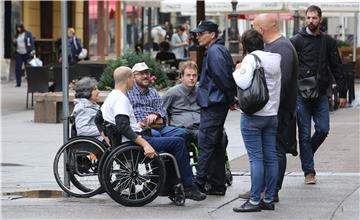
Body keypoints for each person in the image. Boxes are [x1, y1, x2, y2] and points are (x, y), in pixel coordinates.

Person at [100, 66, 206, 201]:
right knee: (177, 143)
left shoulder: (112, 96)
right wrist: (145, 144)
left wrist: (107, 136)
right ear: (128, 79)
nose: (134, 80)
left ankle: (170, 185)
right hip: (135, 141)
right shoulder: (121, 99)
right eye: (133, 77)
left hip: (133, 136)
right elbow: (123, 126)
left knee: (175, 137)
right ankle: (188, 187)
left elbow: (99, 118)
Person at [237, 13, 299, 202]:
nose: (252, 30)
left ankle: (267, 192)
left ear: (261, 30)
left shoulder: (282, 48)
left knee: (271, 153)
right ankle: (265, 191)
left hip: (274, 110)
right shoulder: (272, 50)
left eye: (253, 26)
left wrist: (267, 106)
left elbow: (283, 82)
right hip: (273, 110)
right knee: (269, 154)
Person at [290, 5, 347, 184]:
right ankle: (309, 172)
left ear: (320, 19)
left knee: (323, 129)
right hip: (301, 95)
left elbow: (337, 66)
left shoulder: (328, 41)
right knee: (304, 134)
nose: (311, 21)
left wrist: (343, 92)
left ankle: (306, 155)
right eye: (308, 18)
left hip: (321, 93)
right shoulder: (296, 41)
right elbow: (290, 67)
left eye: (314, 18)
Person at [232, 29, 281, 212]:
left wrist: (237, 71)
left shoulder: (251, 59)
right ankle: (268, 199)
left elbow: (243, 83)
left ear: (245, 46)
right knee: (271, 158)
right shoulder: (275, 58)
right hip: (271, 115)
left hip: (253, 116)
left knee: (256, 159)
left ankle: (254, 200)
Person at [190, 20, 237, 196]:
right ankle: (217, 184)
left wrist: (230, 97)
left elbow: (222, 77)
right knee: (215, 144)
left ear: (212, 34)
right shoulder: (216, 50)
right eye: (197, 34)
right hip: (216, 102)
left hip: (213, 104)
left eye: (201, 33)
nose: (198, 37)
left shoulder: (215, 51)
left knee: (206, 143)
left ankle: (200, 183)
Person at [127, 62, 187, 140]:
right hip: (141, 129)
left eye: (147, 73)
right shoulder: (128, 93)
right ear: (133, 77)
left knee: (183, 132)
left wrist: (156, 114)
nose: (145, 76)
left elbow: (162, 110)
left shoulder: (153, 92)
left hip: (158, 126)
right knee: (156, 135)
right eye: (141, 73)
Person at [72, 77, 108, 143]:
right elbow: (82, 130)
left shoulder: (90, 105)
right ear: (87, 92)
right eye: (95, 89)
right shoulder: (83, 108)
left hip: (98, 139)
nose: (98, 91)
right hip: (95, 142)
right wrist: (103, 130)